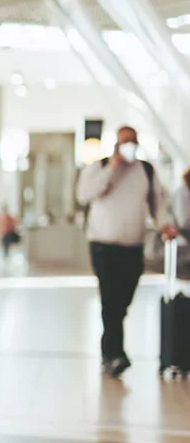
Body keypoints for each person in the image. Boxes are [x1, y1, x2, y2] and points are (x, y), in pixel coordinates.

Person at [76, 125, 178, 378]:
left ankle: (109, 349)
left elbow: (157, 203)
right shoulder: (98, 168)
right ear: (115, 145)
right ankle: (115, 354)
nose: (130, 146)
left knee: (122, 302)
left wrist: (165, 225)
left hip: (133, 247)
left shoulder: (145, 170)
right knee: (110, 300)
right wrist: (113, 168)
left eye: (133, 141)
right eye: (125, 142)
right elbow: (84, 195)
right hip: (103, 246)